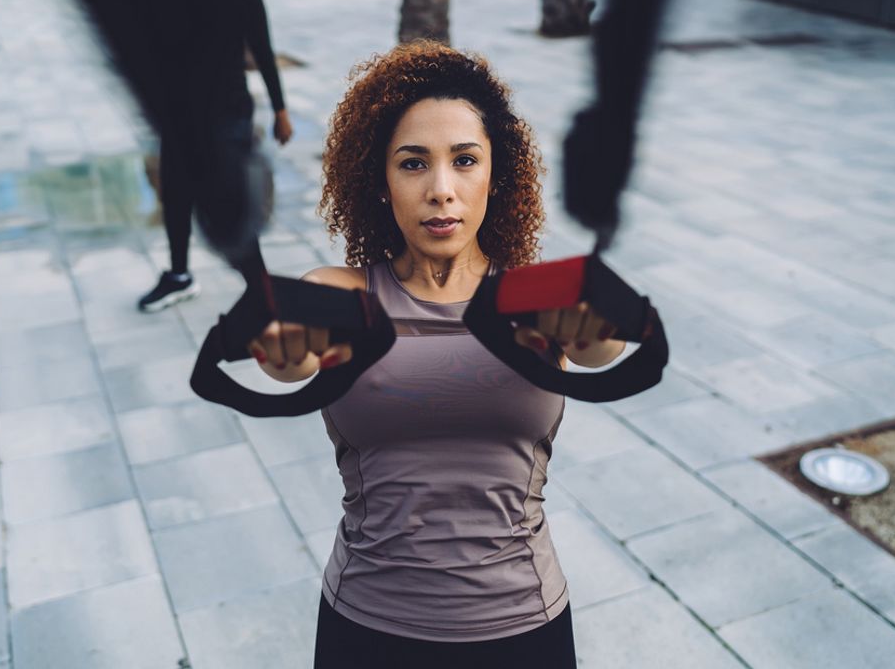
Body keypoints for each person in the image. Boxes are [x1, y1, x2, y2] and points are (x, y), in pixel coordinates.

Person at [247, 41, 626, 667]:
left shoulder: (539, 296)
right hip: (366, 628)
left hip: (523, 629)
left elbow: (601, 347)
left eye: (466, 160)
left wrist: (592, 324)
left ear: (495, 175)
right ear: (382, 180)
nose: (442, 190)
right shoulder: (338, 294)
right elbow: (288, 359)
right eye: (414, 164)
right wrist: (281, 346)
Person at [138, 0, 293, 312]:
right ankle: (179, 277)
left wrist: (280, 109)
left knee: (226, 198)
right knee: (176, 195)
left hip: (225, 114)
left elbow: (261, 46)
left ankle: (263, 292)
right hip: (179, 113)